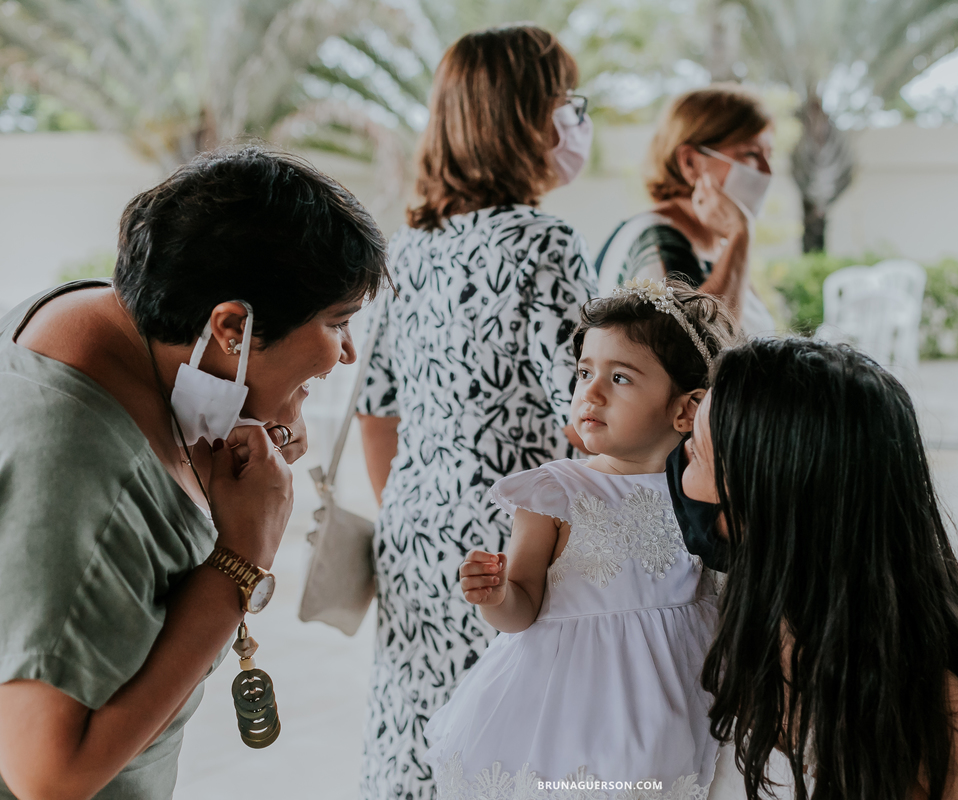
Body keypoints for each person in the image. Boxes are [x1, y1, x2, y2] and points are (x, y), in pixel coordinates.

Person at [0, 146, 387, 800]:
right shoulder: (72, 463)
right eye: (336, 322)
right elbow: (48, 775)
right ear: (232, 326)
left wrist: (256, 405)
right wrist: (241, 559)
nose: (345, 352)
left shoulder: (89, 318)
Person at [354, 24, 598, 800]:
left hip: (413, 534)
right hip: (508, 549)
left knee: (419, 741)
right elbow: (589, 408)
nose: (576, 119)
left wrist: (411, 504)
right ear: (524, 115)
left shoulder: (408, 249)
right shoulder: (543, 244)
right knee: (511, 745)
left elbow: (375, 408)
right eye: (566, 101)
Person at [677, 337, 958, 800]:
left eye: (696, 452)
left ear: (767, 497)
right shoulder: (758, 620)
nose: (678, 462)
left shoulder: (922, 695)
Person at [425, 278, 739, 797]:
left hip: (683, 693)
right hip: (575, 708)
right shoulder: (555, 492)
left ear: (687, 409)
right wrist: (497, 595)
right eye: (584, 372)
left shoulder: (702, 488)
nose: (589, 393)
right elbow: (522, 609)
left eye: (619, 377)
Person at [593, 86, 777, 335]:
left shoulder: (717, 248)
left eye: (769, 155)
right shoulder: (657, 239)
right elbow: (699, 348)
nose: (767, 171)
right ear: (690, 162)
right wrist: (740, 233)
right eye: (750, 154)